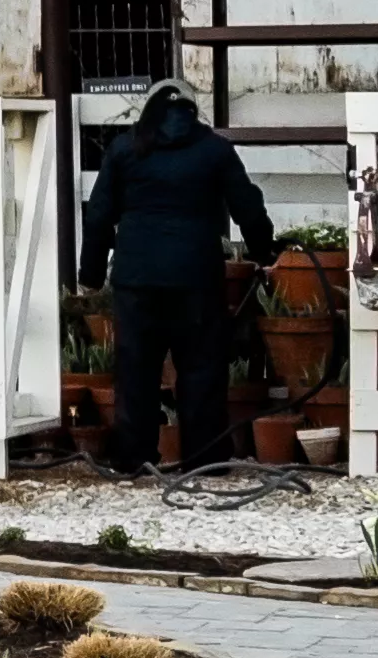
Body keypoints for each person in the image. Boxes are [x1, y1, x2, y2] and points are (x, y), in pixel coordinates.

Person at [78, 85, 273, 471]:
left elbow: (99, 214)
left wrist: (92, 274)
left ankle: (133, 459)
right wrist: (265, 250)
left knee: (136, 370)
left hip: (136, 279)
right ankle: (204, 459)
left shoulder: (125, 148)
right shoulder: (214, 149)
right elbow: (246, 204)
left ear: (147, 109)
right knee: (201, 369)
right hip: (196, 277)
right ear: (192, 111)